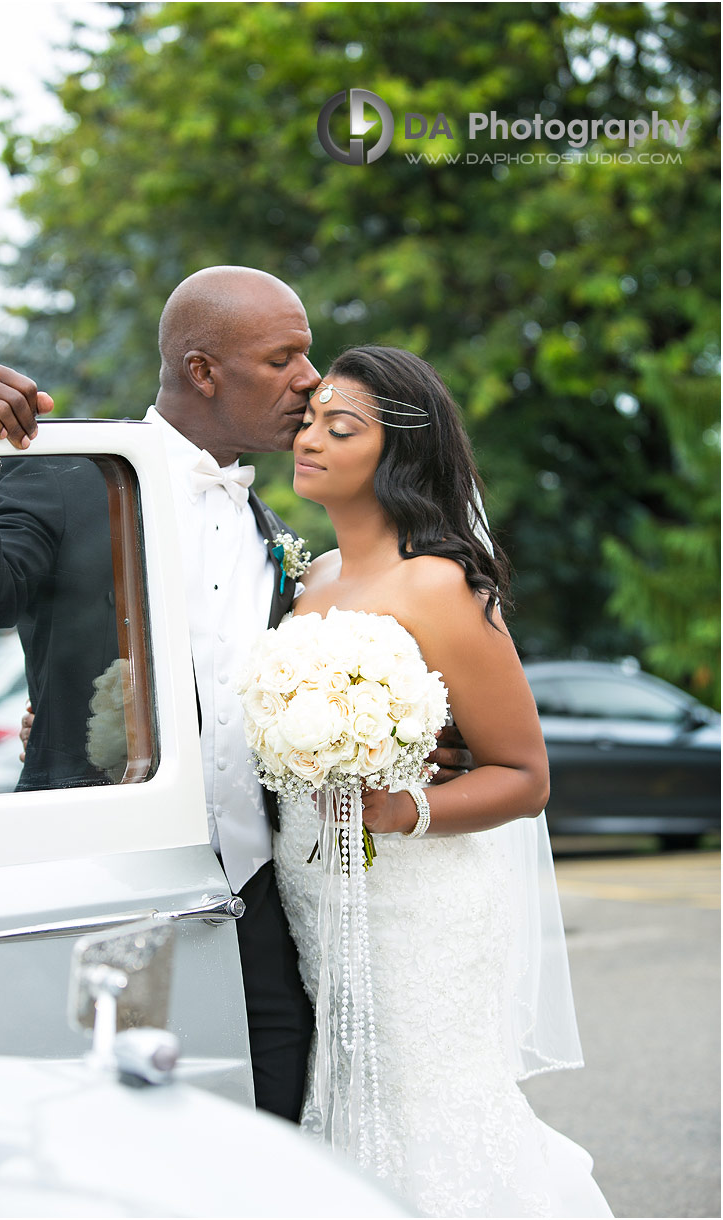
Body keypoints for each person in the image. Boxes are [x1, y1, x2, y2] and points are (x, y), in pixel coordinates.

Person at [0, 269, 469, 1124]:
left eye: (308, 354)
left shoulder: (284, 545)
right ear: (203, 370)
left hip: (257, 905)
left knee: (276, 1134)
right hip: (101, 891)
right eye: (284, 357)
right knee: (110, 1141)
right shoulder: (71, 475)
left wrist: (414, 744)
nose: (311, 380)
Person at [268, 346, 613, 1215]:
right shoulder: (307, 582)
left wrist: (404, 808)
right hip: (314, 892)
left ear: (398, 456)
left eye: (339, 427)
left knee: (429, 1102)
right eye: (309, 420)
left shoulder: (440, 586)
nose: (309, 438)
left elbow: (524, 776)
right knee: (344, 1094)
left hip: (418, 902)